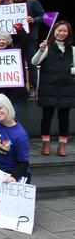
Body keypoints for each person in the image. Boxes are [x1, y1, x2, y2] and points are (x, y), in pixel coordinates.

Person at [33, 21, 75, 156]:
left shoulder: (72, 49)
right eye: (59, 30)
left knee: (64, 117)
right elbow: (34, 62)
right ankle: (45, 144)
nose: (61, 33)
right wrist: (40, 50)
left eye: (64, 31)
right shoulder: (46, 47)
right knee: (47, 116)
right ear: (54, 31)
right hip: (48, 87)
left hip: (67, 88)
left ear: (68, 33)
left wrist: (70, 70)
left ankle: (62, 146)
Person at [0, 94, 31, 183]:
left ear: (8, 107)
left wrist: (13, 177)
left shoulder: (20, 135)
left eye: (0, 108)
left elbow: (23, 163)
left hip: (12, 174)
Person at [11, 0, 45, 97]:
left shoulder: (33, 2)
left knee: (31, 63)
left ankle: (33, 87)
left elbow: (43, 16)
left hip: (30, 38)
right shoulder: (11, 6)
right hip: (16, 39)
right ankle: (22, 88)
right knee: (18, 64)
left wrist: (34, 20)